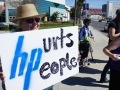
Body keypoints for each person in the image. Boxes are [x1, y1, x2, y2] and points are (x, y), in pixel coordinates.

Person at [0, 4, 81, 90]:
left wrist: (72, 58)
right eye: (30, 20)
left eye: (37, 19)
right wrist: (3, 74)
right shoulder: (9, 43)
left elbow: (58, 57)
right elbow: (4, 67)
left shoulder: (48, 39)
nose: (35, 23)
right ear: (20, 23)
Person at [99, 8, 120, 83]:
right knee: (110, 63)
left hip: (118, 48)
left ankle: (103, 77)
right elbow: (112, 36)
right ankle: (103, 77)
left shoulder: (118, 24)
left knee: (110, 63)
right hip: (112, 47)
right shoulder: (113, 24)